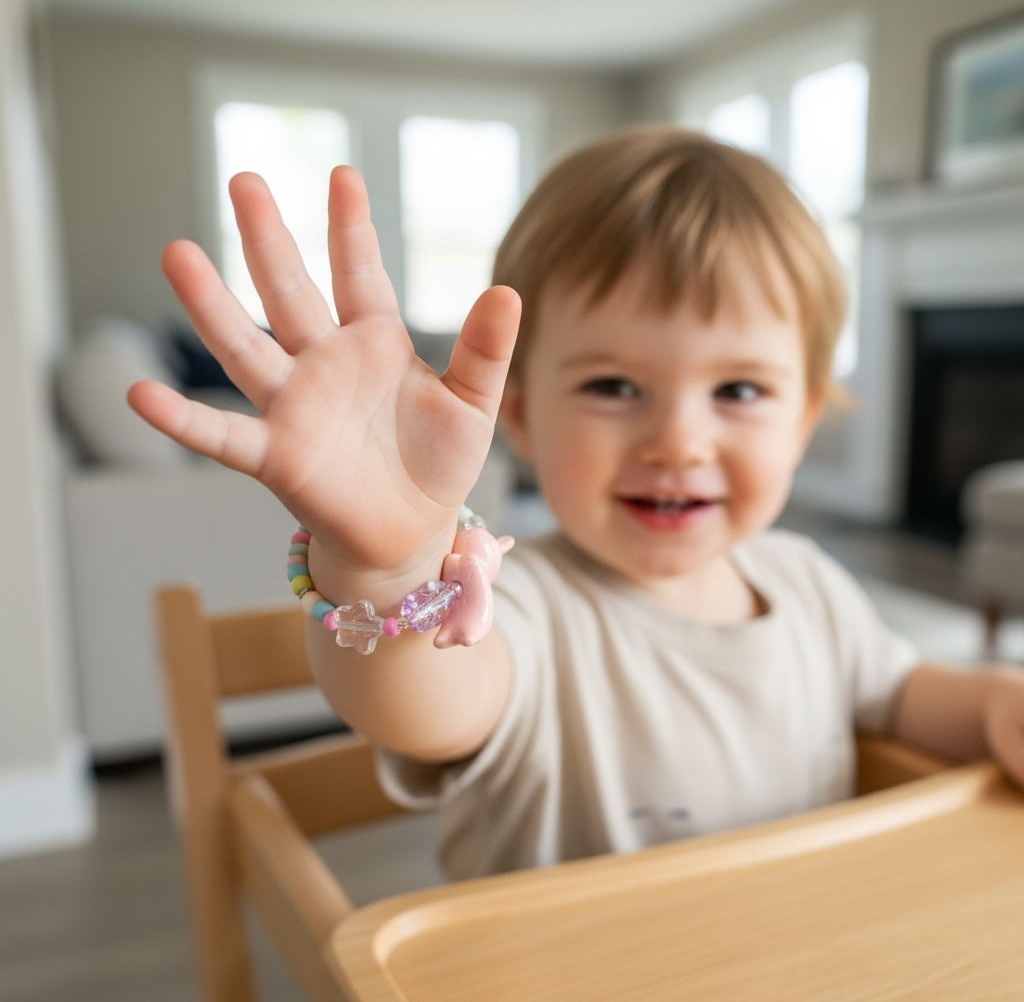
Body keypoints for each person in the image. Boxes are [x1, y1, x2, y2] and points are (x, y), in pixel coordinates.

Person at [129, 126, 1024, 881]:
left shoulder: (810, 587)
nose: (678, 440)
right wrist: (392, 564)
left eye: (741, 392)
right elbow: (424, 702)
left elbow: (905, 692)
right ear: (519, 413)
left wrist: (993, 704)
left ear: (805, 423)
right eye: (613, 385)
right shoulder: (522, 608)